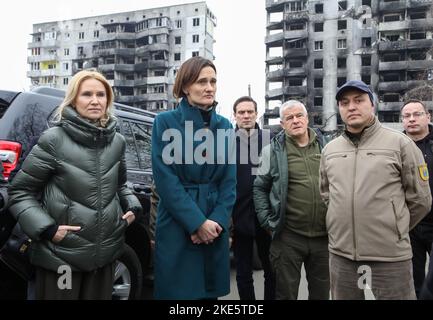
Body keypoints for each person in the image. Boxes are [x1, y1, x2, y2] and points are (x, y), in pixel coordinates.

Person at [7, 70, 142, 300]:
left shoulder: (117, 142)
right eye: (86, 94)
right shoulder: (54, 140)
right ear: (73, 99)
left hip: (105, 256)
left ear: (108, 100)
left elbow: (121, 186)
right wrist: (49, 229)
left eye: (101, 94)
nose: (95, 100)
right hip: (62, 258)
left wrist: (131, 205)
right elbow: (20, 192)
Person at [319, 80, 432, 300]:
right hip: (342, 256)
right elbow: (327, 194)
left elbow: (420, 200)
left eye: (359, 100)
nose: (351, 107)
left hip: (389, 257)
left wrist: (395, 227)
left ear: (372, 105)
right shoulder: (330, 150)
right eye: (344, 102)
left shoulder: (400, 144)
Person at [151, 56, 236, 300]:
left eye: (213, 81)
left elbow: (229, 183)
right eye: (202, 82)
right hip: (178, 225)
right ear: (186, 86)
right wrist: (198, 223)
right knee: (178, 296)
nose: (209, 88)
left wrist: (216, 221)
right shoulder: (164, 122)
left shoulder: (225, 126)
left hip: (214, 224)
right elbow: (166, 181)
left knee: (209, 295)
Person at [253, 100, 329, 300]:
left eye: (299, 116)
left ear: (307, 118)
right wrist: (267, 221)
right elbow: (260, 187)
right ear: (282, 123)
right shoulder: (271, 151)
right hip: (289, 237)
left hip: (325, 237)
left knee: (321, 294)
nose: (295, 121)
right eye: (289, 118)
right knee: (285, 294)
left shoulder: (328, 147)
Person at [231, 96, 275, 300]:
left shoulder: (271, 139)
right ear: (235, 115)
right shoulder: (226, 141)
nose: (246, 116)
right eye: (241, 112)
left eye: (250, 112)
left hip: (266, 216)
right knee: (243, 272)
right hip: (238, 215)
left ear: (256, 114)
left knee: (271, 270)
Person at [401, 99, 433, 298]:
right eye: (406, 116)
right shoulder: (396, 146)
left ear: (428, 117)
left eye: (417, 114)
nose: (411, 119)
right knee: (413, 281)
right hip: (410, 224)